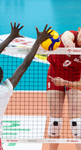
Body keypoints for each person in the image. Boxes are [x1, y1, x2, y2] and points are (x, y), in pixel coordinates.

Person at [0, 22, 52, 150]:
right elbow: (25, 65)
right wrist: (38, 41)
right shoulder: (4, 90)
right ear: (1, 79)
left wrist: (10, 37)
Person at [47, 20, 81, 150]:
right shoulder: (71, 35)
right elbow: (65, 36)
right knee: (55, 121)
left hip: (73, 78)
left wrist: (64, 82)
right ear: (79, 29)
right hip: (55, 71)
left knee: (76, 121)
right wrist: (69, 44)